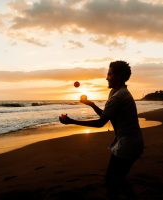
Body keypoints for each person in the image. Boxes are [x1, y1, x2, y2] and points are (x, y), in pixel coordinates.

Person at [59, 60, 144, 199]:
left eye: (110, 74)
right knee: (118, 178)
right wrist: (91, 104)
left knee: (112, 180)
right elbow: (107, 116)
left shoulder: (118, 96)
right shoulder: (116, 93)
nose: (106, 78)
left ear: (119, 76)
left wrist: (71, 121)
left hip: (128, 145)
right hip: (129, 142)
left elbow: (100, 123)